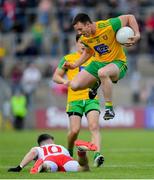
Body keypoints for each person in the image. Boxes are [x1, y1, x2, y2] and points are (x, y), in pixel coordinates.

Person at [64, 13, 140, 120]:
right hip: (98, 63)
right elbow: (88, 52)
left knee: (102, 73)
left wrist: (137, 35)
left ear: (88, 24)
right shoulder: (85, 38)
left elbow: (129, 17)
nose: (79, 33)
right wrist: (75, 64)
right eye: (77, 30)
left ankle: (109, 108)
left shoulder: (108, 25)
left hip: (117, 63)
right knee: (74, 85)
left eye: (80, 29)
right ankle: (96, 83)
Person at [52, 34, 104, 167]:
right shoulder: (68, 59)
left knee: (94, 126)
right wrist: (65, 81)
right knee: (74, 131)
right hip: (74, 100)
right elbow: (56, 77)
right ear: (76, 43)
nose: (83, 45)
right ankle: (69, 151)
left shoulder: (94, 58)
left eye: (86, 43)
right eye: (81, 42)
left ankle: (97, 155)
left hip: (91, 98)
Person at [8, 133, 97, 173]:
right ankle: (81, 152)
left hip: (49, 159)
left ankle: (42, 165)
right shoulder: (61, 147)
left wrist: (20, 167)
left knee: (47, 168)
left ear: (41, 143)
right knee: (84, 168)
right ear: (51, 141)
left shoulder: (39, 148)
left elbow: (32, 153)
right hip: (64, 158)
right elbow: (70, 157)